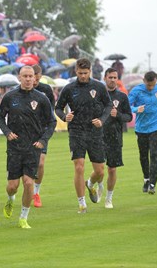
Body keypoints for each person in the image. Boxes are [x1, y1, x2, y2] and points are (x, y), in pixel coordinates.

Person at [0, 66, 56, 228]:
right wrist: (7, 132)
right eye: (26, 76)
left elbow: (52, 122)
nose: (29, 79)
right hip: (15, 147)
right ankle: (10, 199)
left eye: (31, 76)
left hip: (33, 147)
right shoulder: (10, 97)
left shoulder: (41, 98)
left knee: (29, 182)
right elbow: (0, 117)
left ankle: (23, 217)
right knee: (12, 186)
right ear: (19, 78)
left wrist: (43, 140)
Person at [55, 58, 111, 213]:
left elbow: (108, 105)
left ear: (90, 71)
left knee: (100, 171)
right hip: (76, 132)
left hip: (95, 132)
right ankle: (81, 203)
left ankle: (91, 183)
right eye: (80, 73)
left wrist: (102, 119)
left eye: (86, 73)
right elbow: (58, 108)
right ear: (76, 71)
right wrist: (64, 117)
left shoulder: (99, 87)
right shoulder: (69, 88)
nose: (83, 76)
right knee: (79, 167)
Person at [128, 71, 157, 194]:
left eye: (153, 85)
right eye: (148, 85)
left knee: (154, 154)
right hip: (141, 128)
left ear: (156, 81)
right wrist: (136, 109)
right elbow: (126, 105)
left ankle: (152, 183)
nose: (150, 87)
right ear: (144, 81)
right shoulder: (136, 90)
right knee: (143, 155)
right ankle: (146, 178)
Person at [101, 68, 133, 208]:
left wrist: (118, 115)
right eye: (110, 77)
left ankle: (108, 198)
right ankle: (93, 184)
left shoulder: (122, 97)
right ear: (105, 78)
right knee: (99, 168)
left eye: (115, 77)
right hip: (99, 136)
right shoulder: (98, 95)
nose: (112, 80)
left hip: (115, 137)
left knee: (112, 169)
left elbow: (129, 117)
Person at [31, 64, 55, 208]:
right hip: (25, 131)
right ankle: (24, 190)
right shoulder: (20, 90)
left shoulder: (46, 90)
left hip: (41, 131)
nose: (33, 80)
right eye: (31, 77)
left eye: (37, 77)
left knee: (40, 163)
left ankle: (36, 192)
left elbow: (51, 109)